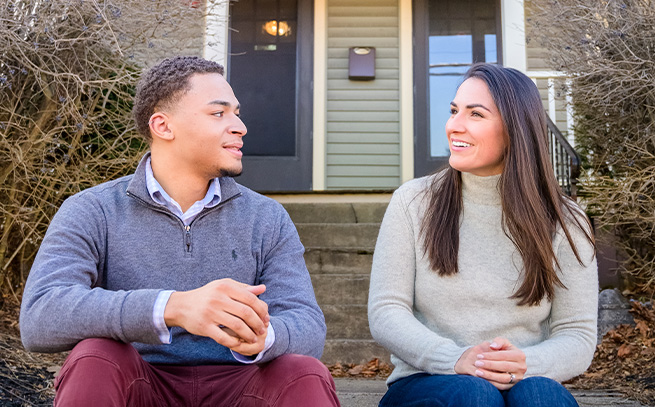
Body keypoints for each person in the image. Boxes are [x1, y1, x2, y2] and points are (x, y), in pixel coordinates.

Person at [20, 56, 340, 407]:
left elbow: (307, 324)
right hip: (138, 382)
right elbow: (41, 315)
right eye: (219, 113)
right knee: (94, 357)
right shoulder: (92, 209)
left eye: (236, 112)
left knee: (304, 373)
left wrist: (264, 337)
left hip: (241, 386)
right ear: (163, 126)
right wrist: (170, 307)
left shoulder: (266, 217)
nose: (240, 126)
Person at [368, 63, 597, 407]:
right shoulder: (413, 202)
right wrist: (455, 358)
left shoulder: (566, 221)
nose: (453, 126)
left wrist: (523, 364)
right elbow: (386, 311)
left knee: (541, 394)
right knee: (474, 394)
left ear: (514, 130)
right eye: (454, 111)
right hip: (427, 381)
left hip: (524, 381)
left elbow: (577, 334)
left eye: (475, 114)